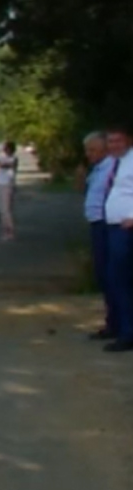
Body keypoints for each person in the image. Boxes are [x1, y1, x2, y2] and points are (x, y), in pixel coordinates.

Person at [82, 132, 117, 339]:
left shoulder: (113, 167)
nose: (89, 154)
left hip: (107, 224)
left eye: (93, 150)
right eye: (87, 150)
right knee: (103, 276)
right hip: (97, 223)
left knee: (113, 276)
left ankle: (120, 324)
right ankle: (112, 321)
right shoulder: (97, 169)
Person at [103, 128, 133, 353]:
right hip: (112, 226)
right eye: (110, 141)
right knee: (114, 279)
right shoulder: (117, 162)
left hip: (126, 229)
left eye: (118, 140)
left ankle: (128, 333)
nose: (114, 144)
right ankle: (119, 327)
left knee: (122, 280)